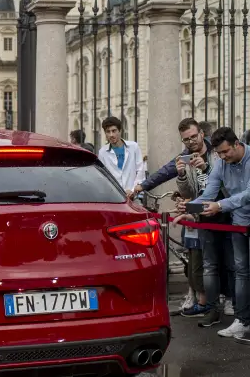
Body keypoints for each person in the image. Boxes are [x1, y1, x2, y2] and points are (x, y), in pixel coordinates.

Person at [130, 118, 217, 316]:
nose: (191, 142)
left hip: (218, 212)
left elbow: (222, 183)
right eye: (186, 139)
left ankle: (223, 300)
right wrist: (141, 187)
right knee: (196, 257)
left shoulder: (216, 152)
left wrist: (205, 168)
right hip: (194, 211)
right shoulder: (185, 157)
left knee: (219, 259)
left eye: (194, 136)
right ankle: (198, 297)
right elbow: (165, 173)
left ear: (202, 134)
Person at [175, 127, 250, 341]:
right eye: (220, 154)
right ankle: (242, 321)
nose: (223, 157)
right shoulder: (220, 164)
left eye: (226, 152)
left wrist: (219, 204)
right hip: (239, 223)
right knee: (242, 271)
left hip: (240, 217)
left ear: (236, 144)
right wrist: (189, 209)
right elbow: (207, 195)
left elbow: (247, 195)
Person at [97, 116, 145, 195]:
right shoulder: (102, 152)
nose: (111, 135)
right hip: (114, 197)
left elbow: (140, 171)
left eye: (114, 131)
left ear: (120, 131)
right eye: (108, 131)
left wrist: (133, 190)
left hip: (133, 195)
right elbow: (103, 177)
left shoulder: (134, 147)